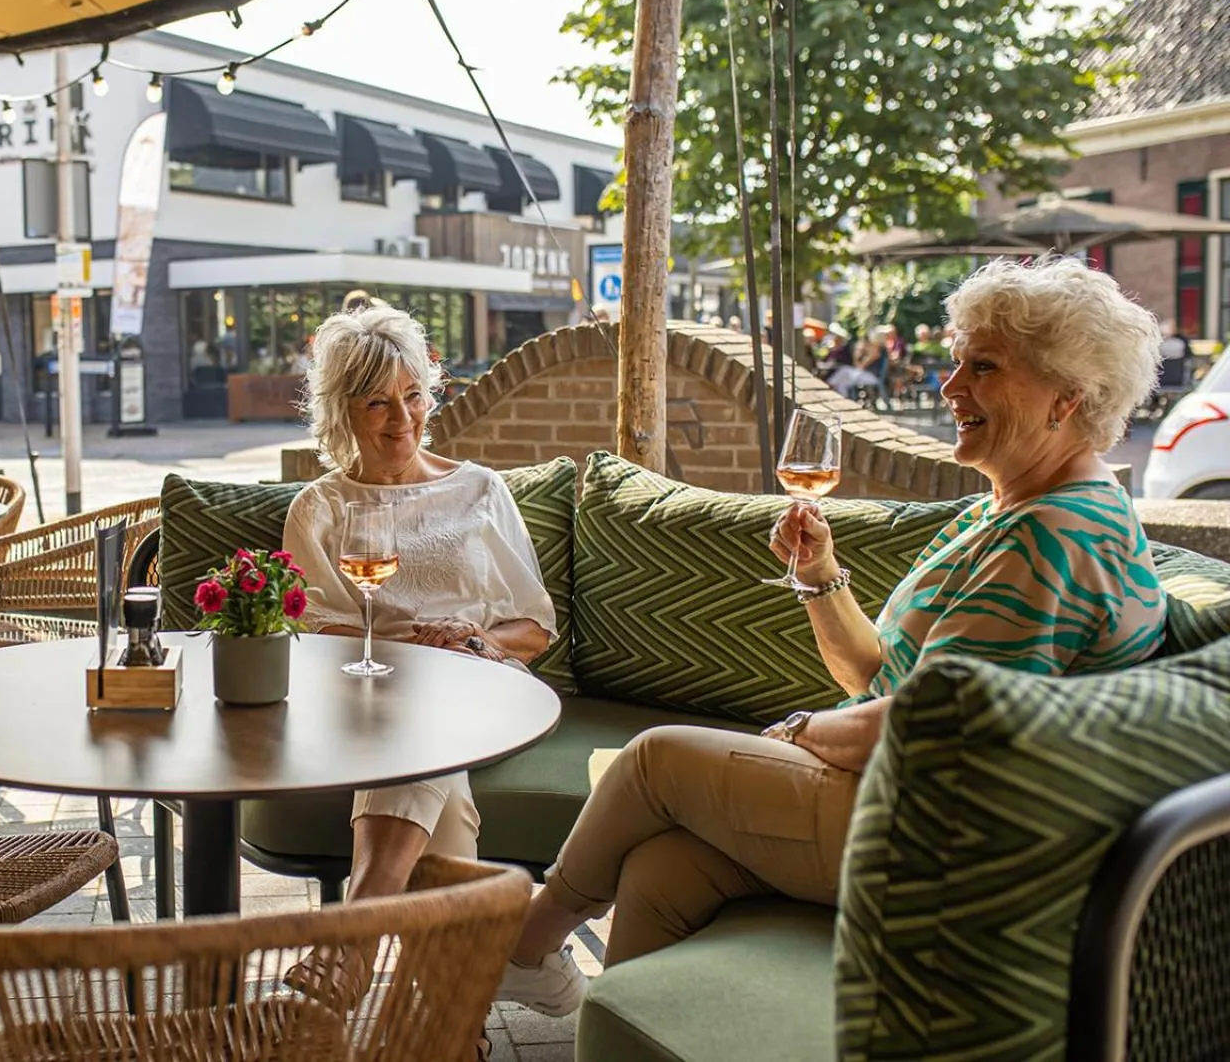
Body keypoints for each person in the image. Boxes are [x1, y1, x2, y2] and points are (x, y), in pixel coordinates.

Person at [495, 255, 1167, 1018]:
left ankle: (521, 944)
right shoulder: (1006, 509)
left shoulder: (1056, 534)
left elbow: (929, 726)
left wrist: (800, 730)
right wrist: (819, 574)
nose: (949, 387)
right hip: (903, 793)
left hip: (945, 832)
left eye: (983, 367)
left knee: (657, 760)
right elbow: (874, 675)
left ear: (1067, 396)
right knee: (660, 868)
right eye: (956, 362)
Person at [281, 304, 557, 1017]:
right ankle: (457, 1027)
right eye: (378, 402)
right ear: (342, 410)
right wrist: (403, 650)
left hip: (482, 684)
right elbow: (312, 634)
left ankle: (352, 941)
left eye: (413, 396)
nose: (402, 418)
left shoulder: (480, 489)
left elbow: (535, 627)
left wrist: (475, 640)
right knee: (436, 774)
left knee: (425, 726)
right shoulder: (319, 508)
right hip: (371, 700)